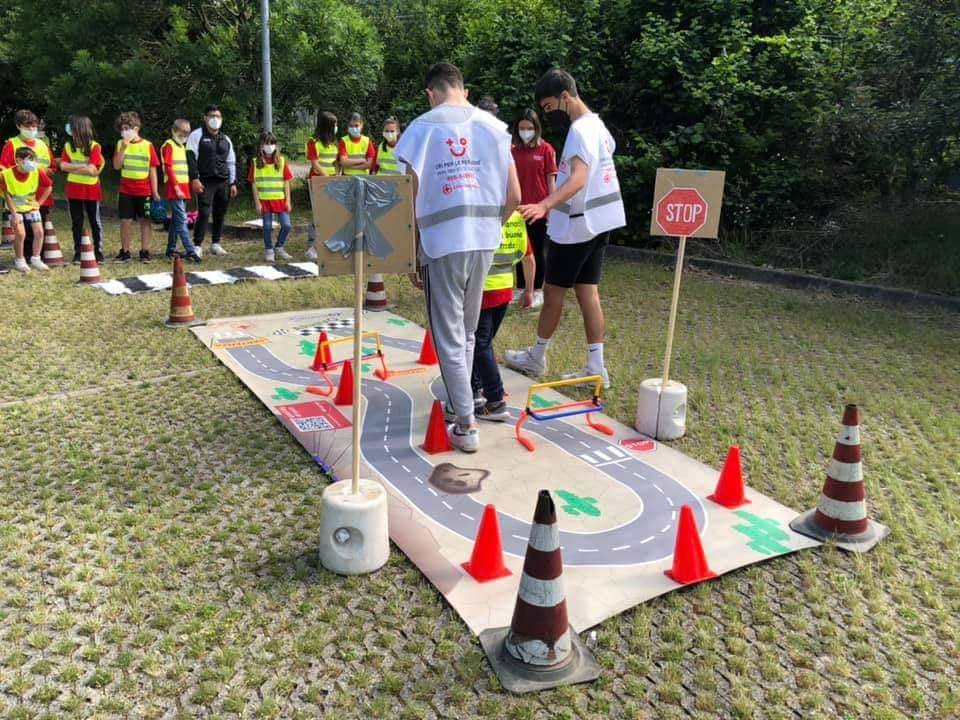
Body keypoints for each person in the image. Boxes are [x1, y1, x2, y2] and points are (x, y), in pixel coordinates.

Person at [394, 62, 521, 452]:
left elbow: (409, 195)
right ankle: (459, 403)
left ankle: (466, 422)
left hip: (441, 242)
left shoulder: (421, 129)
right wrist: (489, 225)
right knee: (466, 330)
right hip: (484, 240)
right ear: (462, 89)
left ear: (430, 93)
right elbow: (514, 196)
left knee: (447, 334)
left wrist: (413, 251)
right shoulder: (493, 128)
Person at [506, 68, 626, 389]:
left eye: (548, 108)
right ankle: (596, 367)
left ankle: (537, 356)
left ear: (564, 97)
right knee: (588, 292)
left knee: (554, 291)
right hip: (600, 223)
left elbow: (579, 178)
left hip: (576, 228)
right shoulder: (599, 127)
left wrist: (544, 204)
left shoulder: (580, 131)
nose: (548, 115)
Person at [468, 210, 534, 421]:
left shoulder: (482, 216)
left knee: (479, 345)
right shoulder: (517, 217)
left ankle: (495, 400)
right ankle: (473, 390)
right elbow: (529, 258)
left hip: (483, 290)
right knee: (482, 344)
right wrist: (529, 290)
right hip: (505, 290)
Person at [511, 108, 558, 307]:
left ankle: (537, 289)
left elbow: (551, 181)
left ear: (536, 128)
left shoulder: (546, 149)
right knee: (519, 250)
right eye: (522, 128)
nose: (525, 131)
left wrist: (551, 209)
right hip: (518, 209)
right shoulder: (513, 151)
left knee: (537, 250)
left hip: (538, 208)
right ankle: (521, 287)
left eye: (529, 128)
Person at [1, 109, 56, 263]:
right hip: (18, 195)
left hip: (40, 192)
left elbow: (52, 167)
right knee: (22, 230)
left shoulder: (42, 144)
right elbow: (4, 169)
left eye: (34, 126)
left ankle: (37, 257)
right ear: (19, 126)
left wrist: (44, 172)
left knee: (39, 227)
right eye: (28, 126)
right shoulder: (12, 144)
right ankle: (22, 257)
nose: (32, 130)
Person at [187, 105, 236, 257]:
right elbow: (190, 157)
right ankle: (197, 245)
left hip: (223, 181)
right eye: (212, 116)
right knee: (204, 212)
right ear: (205, 118)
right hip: (205, 181)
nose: (215, 119)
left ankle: (216, 243)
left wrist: (232, 182)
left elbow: (231, 162)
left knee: (220, 212)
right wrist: (194, 178)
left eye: (218, 116)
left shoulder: (225, 139)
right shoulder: (196, 135)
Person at [112, 111, 160, 262]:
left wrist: (155, 191)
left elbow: (153, 170)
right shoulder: (120, 144)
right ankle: (125, 251)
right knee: (125, 221)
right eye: (122, 129)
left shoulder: (148, 145)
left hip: (144, 190)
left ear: (136, 128)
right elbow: (116, 166)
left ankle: (145, 250)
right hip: (126, 190)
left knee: (145, 220)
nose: (124, 132)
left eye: (127, 128)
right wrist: (123, 149)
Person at [60, 115, 105, 262]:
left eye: (71, 126)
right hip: (74, 189)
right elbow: (62, 166)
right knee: (76, 222)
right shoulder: (68, 146)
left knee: (95, 221)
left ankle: (98, 251)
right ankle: (78, 252)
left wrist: (72, 168)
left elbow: (93, 170)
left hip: (91, 189)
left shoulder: (94, 146)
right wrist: (83, 166)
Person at [0, 146, 52, 272]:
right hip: (14, 209)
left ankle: (36, 259)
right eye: (30, 159)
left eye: (34, 159)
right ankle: (19, 260)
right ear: (18, 160)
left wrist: (39, 203)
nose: (33, 163)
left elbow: (48, 186)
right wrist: (13, 214)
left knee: (39, 232)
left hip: (31, 207)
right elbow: (7, 195)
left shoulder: (36, 172)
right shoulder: (6, 175)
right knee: (20, 233)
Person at [249, 131, 293, 263]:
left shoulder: (282, 161)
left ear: (276, 145)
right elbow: (254, 184)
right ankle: (269, 249)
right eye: (267, 143)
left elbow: (286, 182)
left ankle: (279, 247)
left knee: (287, 225)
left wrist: (288, 200)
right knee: (267, 226)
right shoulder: (256, 162)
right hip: (265, 201)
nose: (269, 146)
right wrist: (257, 202)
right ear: (261, 145)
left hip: (280, 200)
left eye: (272, 143)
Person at [161, 119, 200, 262]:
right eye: (182, 131)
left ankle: (171, 249)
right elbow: (169, 168)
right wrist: (177, 188)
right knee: (182, 220)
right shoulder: (169, 145)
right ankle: (190, 250)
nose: (185, 135)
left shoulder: (182, 147)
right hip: (174, 188)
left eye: (187, 132)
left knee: (176, 220)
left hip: (182, 187)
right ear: (174, 130)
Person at [305, 111, 340, 260]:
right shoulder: (313, 142)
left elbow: (338, 161)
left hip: (333, 182)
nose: (337, 127)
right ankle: (312, 246)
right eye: (335, 125)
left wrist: (338, 175)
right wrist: (326, 177)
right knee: (317, 215)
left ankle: (327, 244)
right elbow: (314, 163)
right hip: (318, 182)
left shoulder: (335, 143)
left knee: (331, 214)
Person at [337, 112, 376, 176]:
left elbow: (370, 164)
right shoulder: (343, 141)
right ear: (348, 126)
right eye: (351, 126)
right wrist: (362, 160)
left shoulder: (367, 141)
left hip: (364, 178)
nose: (354, 128)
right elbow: (343, 162)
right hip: (347, 178)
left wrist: (351, 166)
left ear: (362, 125)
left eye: (356, 125)